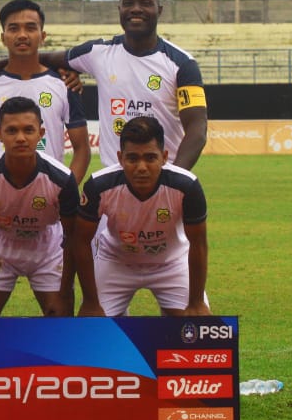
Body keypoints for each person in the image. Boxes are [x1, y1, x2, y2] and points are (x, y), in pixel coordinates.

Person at [0, 0, 207, 171]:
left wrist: (174, 179)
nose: (136, 9)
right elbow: (37, 57)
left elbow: (197, 130)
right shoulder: (98, 53)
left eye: (145, 3)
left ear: (160, 10)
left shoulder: (182, 64)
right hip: (113, 181)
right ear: (119, 10)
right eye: (128, 3)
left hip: (162, 176)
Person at [73, 115, 210, 317]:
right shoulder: (99, 186)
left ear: (164, 157)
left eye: (150, 158)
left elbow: (198, 244)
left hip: (171, 263)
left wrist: (196, 302)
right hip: (116, 261)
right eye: (132, 159)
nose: (142, 168)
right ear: (120, 158)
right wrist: (91, 302)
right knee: (94, 328)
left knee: (194, 326)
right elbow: (80, 241)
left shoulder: (186, 186)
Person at [0, 96, 80, 316]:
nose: (21, 138)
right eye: (12, 131)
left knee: (60, 316)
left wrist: (65, 291)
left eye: (28, 130)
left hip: (47, 247)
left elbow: (73, 237)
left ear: (41, 133)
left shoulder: (62, 179)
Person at [0, 0, 92, 184]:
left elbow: (82, 149)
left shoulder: (65, 85)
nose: (22, 35)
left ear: (42, 36)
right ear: (3, 38)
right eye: (14, 28)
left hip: (49, 195)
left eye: (30, 28)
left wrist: (64, 192)